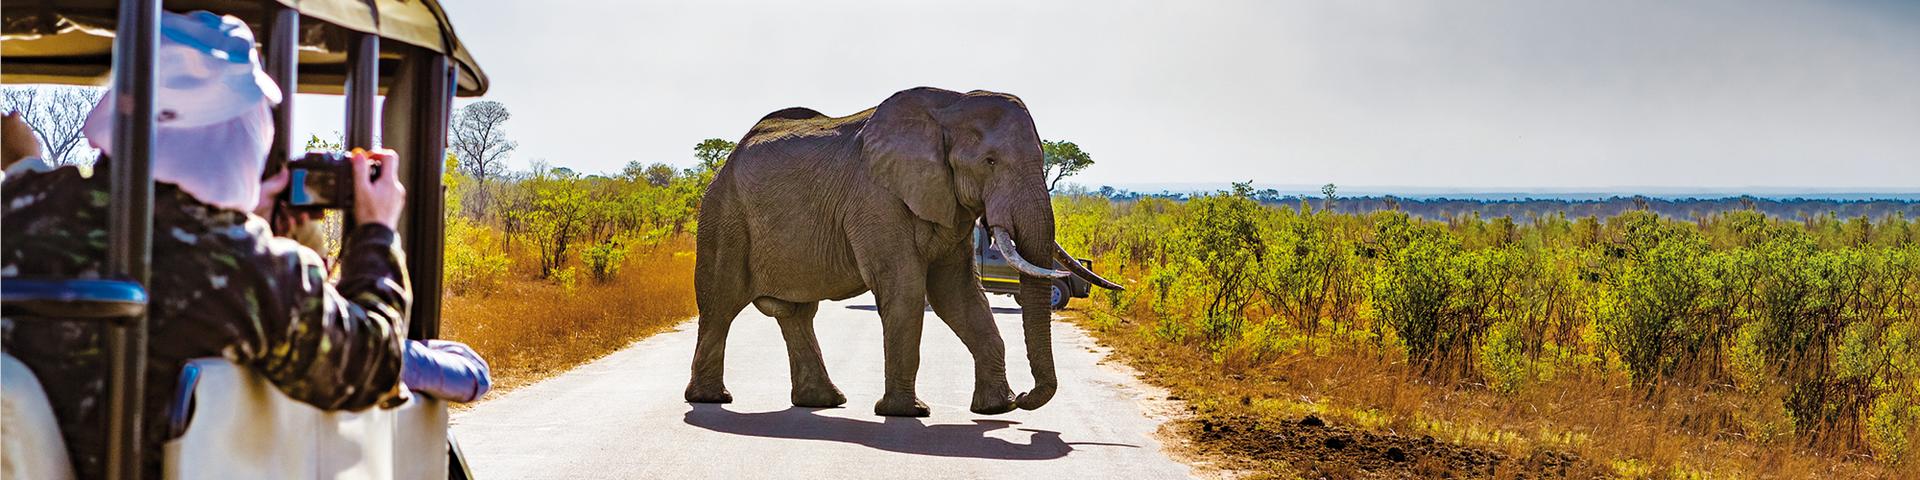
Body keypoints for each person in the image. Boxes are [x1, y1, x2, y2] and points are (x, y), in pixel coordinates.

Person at [0, 10, 485, 478]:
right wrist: (376, 231)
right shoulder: (251, 269)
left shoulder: (17, 208)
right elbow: (372, 365)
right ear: (242, 131)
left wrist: (240, 219)